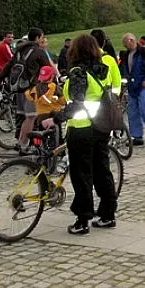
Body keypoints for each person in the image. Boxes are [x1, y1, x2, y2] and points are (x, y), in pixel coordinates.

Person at [44, 34, 120, 235]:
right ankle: (108, 214)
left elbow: (76, 104)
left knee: (81, 175)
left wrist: (55, 118)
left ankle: (83, 219)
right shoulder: (102, 70)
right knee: (102, 172)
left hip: (81, 129)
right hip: (100, 127)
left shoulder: (78, 72)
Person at [0, 28, 51, 153]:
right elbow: (48, 69)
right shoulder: (38, 52)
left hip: (18, 88)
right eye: (41, 37)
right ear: (37, 38)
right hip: (31, 89)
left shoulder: (20, 50)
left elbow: (9, 65)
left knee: (25, 117)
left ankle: (21, 142)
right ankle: (23, 145)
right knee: (31, 117)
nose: (42, 39)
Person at [119, 33, 145, 147]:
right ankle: (136, 136)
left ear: (131, 40)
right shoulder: (126, 55)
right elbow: (123, 69)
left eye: (125, 44)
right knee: (133, 112)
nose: (125, 46)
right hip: (132, 86)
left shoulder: (144, 53)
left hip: (143, 85)